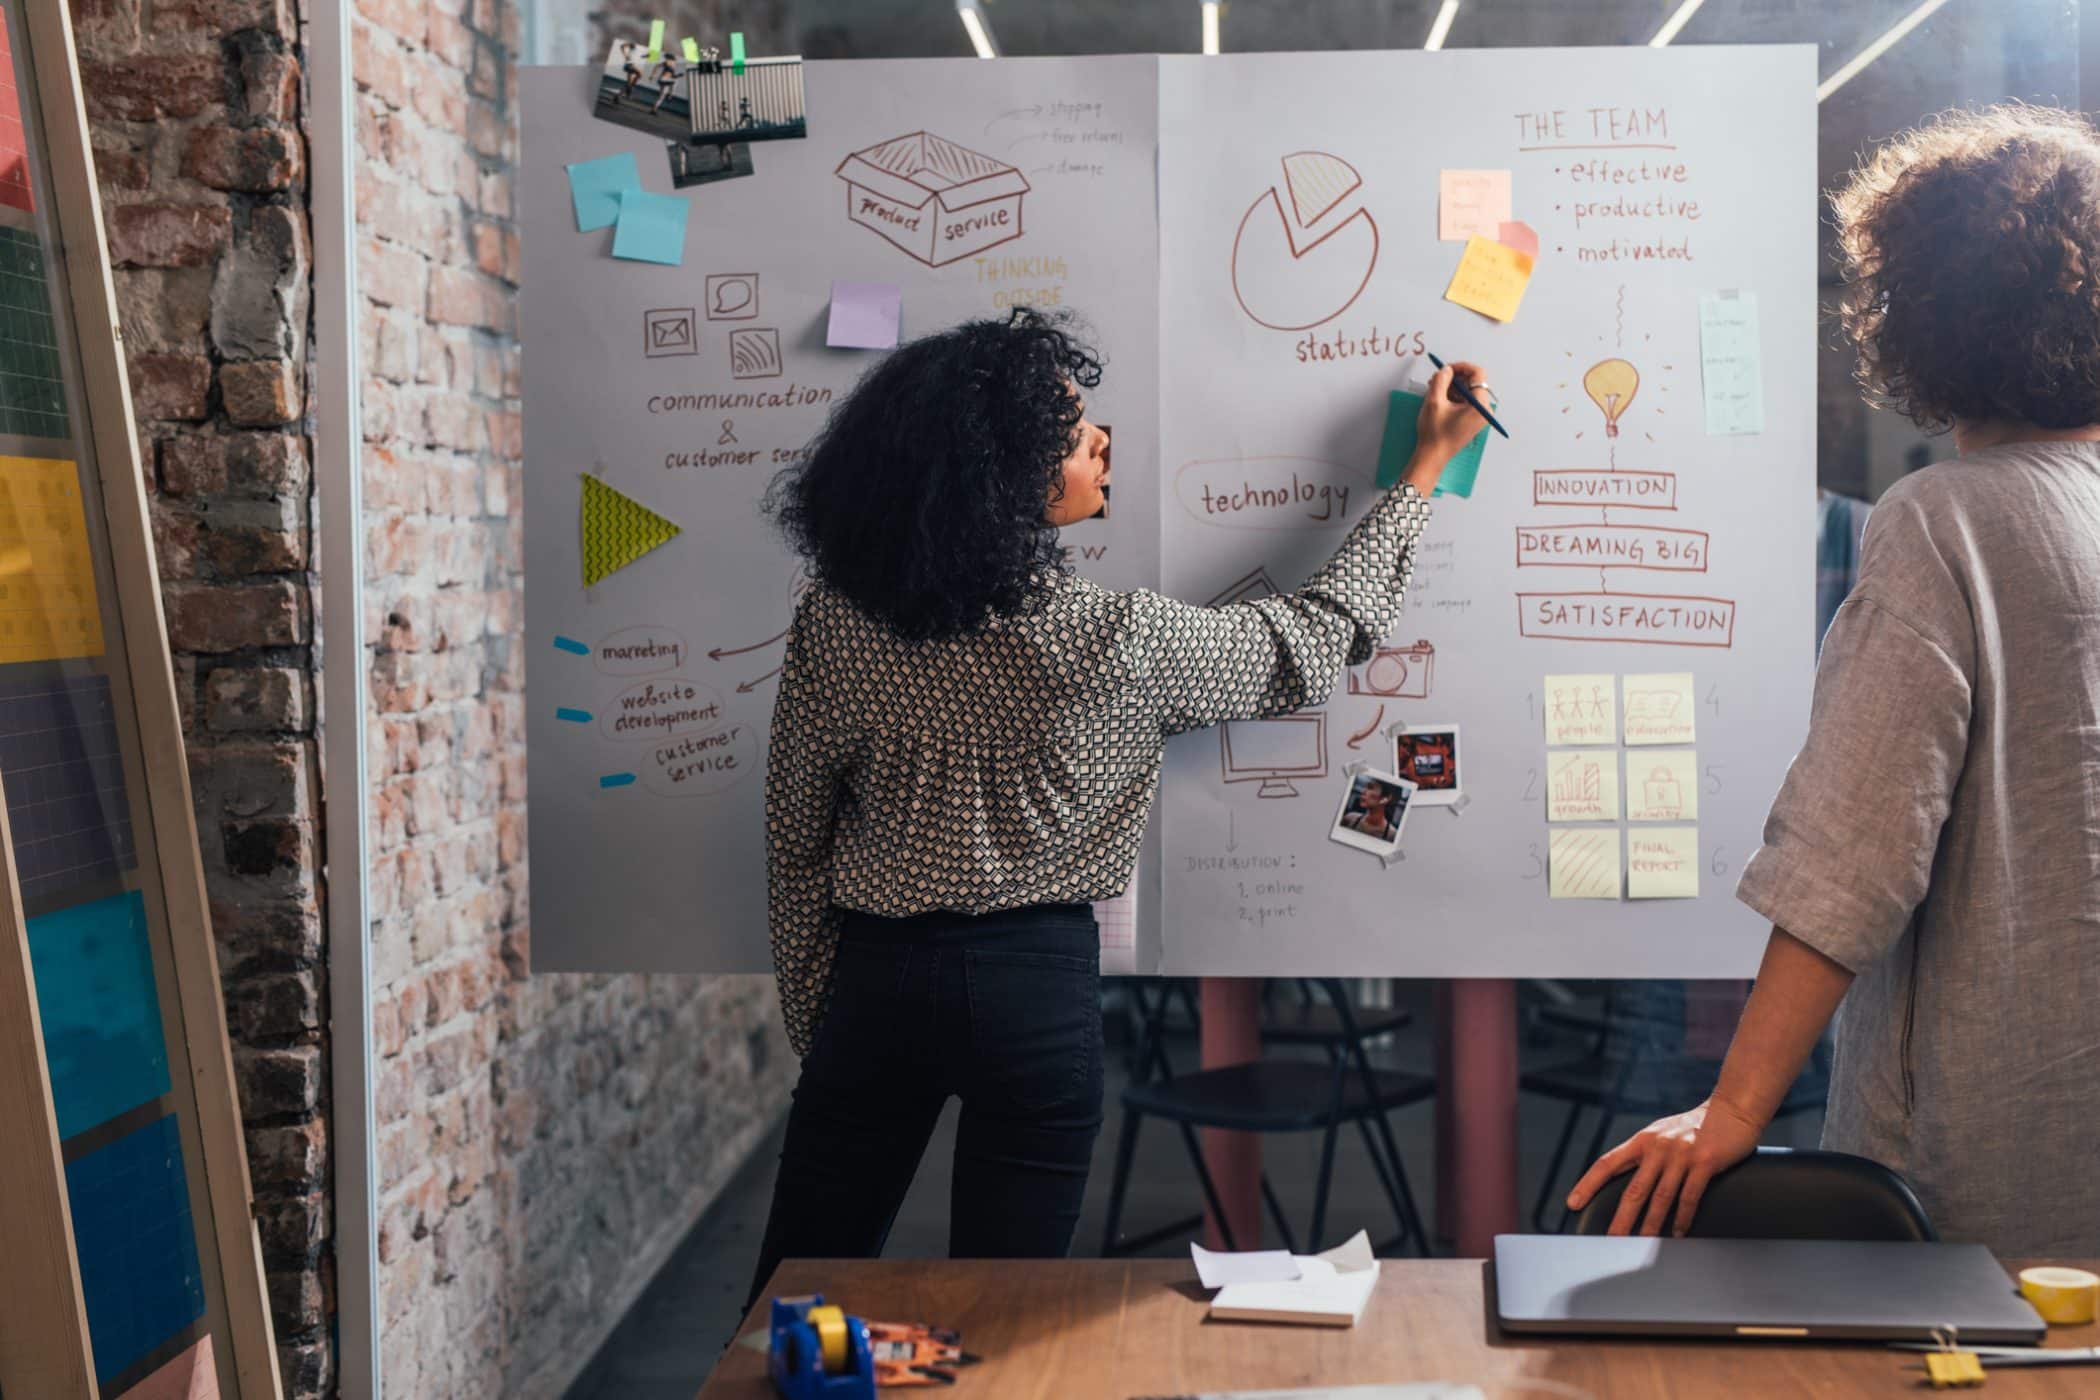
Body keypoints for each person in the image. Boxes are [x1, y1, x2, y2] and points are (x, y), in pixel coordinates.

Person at [745, 308, 1488, 1301]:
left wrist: (819, 1016)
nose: (1101, 439)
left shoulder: (838, 620)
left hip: (876, 980)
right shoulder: (1117, 640)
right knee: (1006, 1323)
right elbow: (1312, 641)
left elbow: (796, 832)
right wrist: (1421, 473)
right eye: (1070, 427)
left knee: (786, 1303)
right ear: (1001, 472)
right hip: (1033, 992)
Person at [1567, 105, 2100, 1255]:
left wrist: (1737, 1107)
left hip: (1986, 1158)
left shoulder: (1948, 519)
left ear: (1925, 317)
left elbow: (1854, 848)